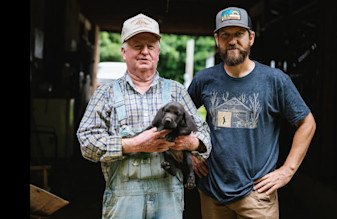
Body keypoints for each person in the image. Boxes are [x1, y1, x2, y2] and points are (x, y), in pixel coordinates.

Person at [77, 13, 211, 219]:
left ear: (158, 52)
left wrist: (192, 143)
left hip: (169, 195)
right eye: (137, 45)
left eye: (150, 46)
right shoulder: (105, 93)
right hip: (123, 199)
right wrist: (132, 145)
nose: (144, 52)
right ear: (124, 51)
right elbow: (86, 142)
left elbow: (205, 137)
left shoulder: (176, 91)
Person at [188, 6, 316, 219]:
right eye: (225, 35)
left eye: (239, 34)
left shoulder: (275, 81)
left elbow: (307, 123)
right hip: (212, 192)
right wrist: (189, 154)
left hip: (257, 195)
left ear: (251, 38)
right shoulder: (204, 79)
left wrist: (288, 170)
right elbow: (179, 116)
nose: (232, 41)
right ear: (217, 39)